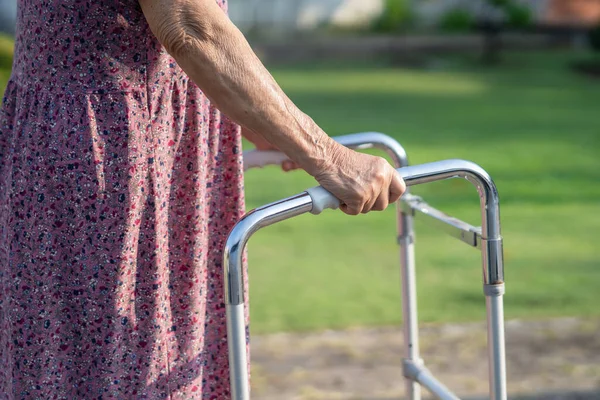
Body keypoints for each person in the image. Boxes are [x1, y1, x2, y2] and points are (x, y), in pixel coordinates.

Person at [0, 0, 406, 398]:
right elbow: (192, 27)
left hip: (95, 143)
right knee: (122, 368)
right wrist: (328, 157)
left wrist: (266, 121)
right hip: (111, 159)